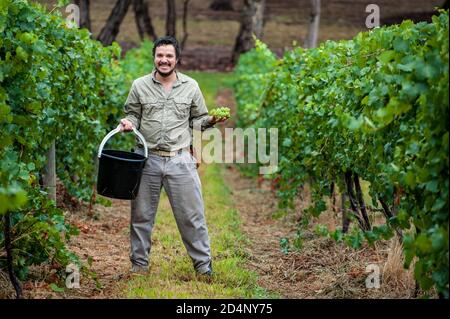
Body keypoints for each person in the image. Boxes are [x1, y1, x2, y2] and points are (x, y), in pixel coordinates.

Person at [120, 36, 227, 276]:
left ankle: (203, 267)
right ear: (154, 58)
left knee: (192, 215)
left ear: (177, 59)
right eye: (160, 55)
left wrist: (211, 120)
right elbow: (133, 114)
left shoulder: (191, 86)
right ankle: (139, 266)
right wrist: (129, 122)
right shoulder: (139, 85)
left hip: (180, 158)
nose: (164, 60)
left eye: (169, 56)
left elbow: (197, 120)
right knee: (141, 215)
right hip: (146, 159)